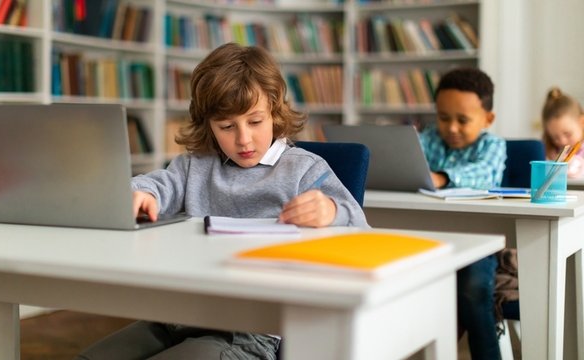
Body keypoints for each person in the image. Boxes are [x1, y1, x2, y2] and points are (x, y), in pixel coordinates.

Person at [75, 42, 368, 360]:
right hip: (176, 317)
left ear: (274, 109)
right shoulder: (196, 164)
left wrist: (331, 210)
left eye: (255, 122)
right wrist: (143, 192)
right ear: (209, 125)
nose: (243, 139)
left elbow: (360, 226)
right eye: (226, 127)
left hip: (247, 331)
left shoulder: (304, 168)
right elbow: (157, 184)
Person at [419, 67, 507, 360]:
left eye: (463, 120)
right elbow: (406, 163)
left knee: (474, 290)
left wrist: (441, 177)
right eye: (444, 118)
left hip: (479, 241)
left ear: (488, 119)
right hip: (429, 236)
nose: (452, 128)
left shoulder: (493, 146)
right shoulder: (428, 138)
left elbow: (485, 172)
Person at [541, 86, 584, 178]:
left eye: (568, 134)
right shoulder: (548, 154)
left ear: (582, 122)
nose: (562, 141)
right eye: (555, 138)